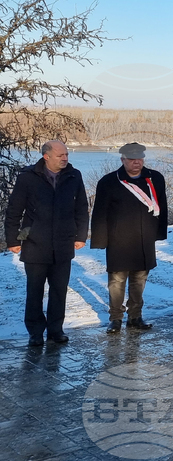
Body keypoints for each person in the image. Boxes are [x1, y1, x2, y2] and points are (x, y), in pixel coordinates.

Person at [3, 140, 88, 347]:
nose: (65, 158)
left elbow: (82, 208)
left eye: (66, 155)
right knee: (35, 291)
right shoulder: (28, 177)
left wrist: (80, 236)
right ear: (46, 156)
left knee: (59, 290)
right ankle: (35, 332)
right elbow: (14, 210)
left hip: (63, 243)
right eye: (61, 155)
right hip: (34, 242)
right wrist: (13, 240)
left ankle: (56, 330)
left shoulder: (74, 175)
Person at [91, 142, 168, 333]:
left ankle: (135, 316)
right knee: (116, 282)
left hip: (144, 239)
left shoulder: (155, 178)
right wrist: (100, 239)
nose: (137, 163)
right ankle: (115, 318)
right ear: (122, 160)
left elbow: (162, 207)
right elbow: (100, 213)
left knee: (139, 280)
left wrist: (159, 233)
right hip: (119, 240)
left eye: (140, 159)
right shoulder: (109, 181)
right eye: (132, 159)